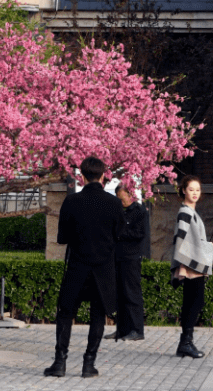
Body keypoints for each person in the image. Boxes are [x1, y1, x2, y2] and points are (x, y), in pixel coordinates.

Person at [44, 156, 124, 379]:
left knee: (65, 313)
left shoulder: (72, 202)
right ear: (103, 176)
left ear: (82, 176)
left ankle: (60, 362)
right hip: (103, 268)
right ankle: (89, 365)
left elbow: (62, 237)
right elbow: (119, 235)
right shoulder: (114, 203)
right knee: (97, 315)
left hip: (78, 265)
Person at [170, 175, 213, 359]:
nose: (195, 193)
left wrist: (207, 246)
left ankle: (185, 344)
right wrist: (182, 266)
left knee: (192, 303)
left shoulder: (190, 212)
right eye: (191, 189)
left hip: (192, 264)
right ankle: (186, 344)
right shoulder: (186, 212)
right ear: (183, 190)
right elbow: (181, 240)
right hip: (190, 267)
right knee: (194, 303)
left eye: (197, 190)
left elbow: (191, 241)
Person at [109, 184, 149, 341]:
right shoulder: (118, 212)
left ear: (130, 195)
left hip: (131, 258)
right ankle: (122, 329)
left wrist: (120, 233)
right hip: (118, 256)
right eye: (118, 199)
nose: (120, 202)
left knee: (132, 293)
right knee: (120, 294)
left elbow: (140, 233)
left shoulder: (139, 212)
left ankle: (137, 329)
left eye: (122, 198)